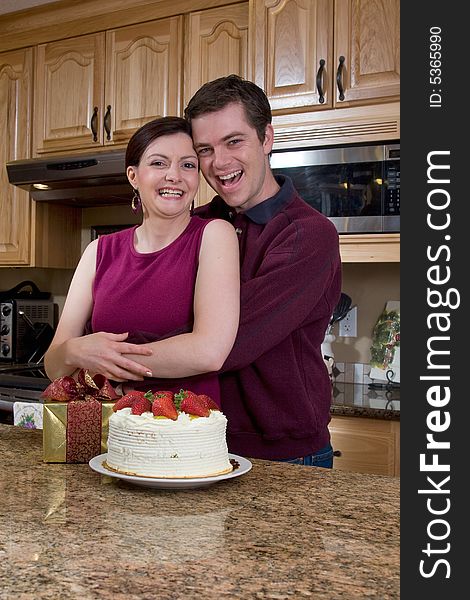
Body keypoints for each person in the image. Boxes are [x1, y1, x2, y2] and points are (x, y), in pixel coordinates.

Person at [184, 75, 342, 466]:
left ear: (266, 138)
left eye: (233, 141)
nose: (219, 163)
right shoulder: (195, 226)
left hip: (285, 454)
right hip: (196, 440)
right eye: (205, 149)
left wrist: (120, 352)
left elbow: (228, 341)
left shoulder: (308, 234)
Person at [44, 116, 240, 405]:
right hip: (109, 433)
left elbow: (209, 351)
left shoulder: (214, 235)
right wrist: (74, 351)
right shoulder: (98, 251)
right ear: (133, 176)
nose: (174, 176)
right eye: (159, 163)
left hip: (182, 433)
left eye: (188, 165)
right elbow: (54, 364)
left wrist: (104, 358)